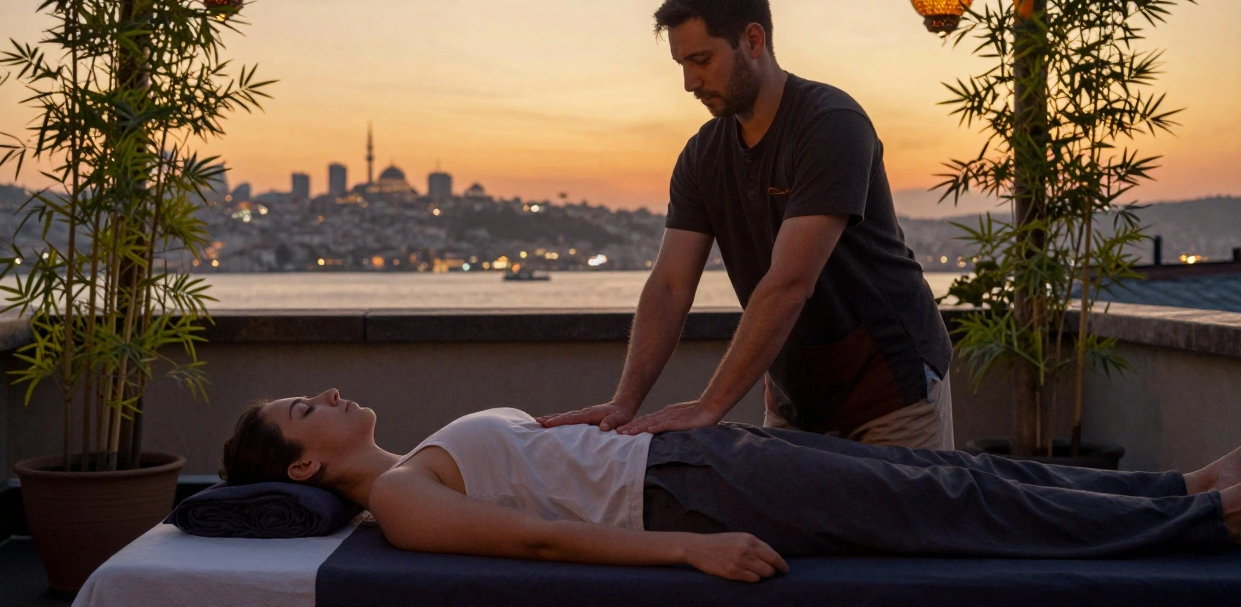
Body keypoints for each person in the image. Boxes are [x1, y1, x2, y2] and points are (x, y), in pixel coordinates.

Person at [540, 0, 954, 449]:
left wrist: (710, 406)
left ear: (753, 41)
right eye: (682, 65)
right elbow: (671, 286)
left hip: (890, 394)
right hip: (795, 400)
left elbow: (789, 283)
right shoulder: (702, 156)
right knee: (783, 527)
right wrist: (624, 403)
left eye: (701, 60)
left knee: (898, 526)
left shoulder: (831, 124)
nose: (689, 83)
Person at [221, 388, 1240, 582]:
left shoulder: (414, 457)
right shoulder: (399, 499)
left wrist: (618, 411)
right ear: (303, 465)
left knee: (945, 471)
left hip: (688, 460)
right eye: (303, 411)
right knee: (940, 507)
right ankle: (1199, 523)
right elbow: (534, 539)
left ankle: (1173, 487)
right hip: (689, 501)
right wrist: (688, 549)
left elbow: (545, 460)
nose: (327, 393)